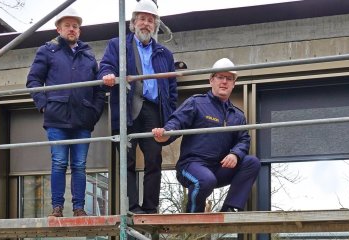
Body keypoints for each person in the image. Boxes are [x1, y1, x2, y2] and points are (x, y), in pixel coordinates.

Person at [98, 0, 178, 214]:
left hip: (152, 110)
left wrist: (168, 115)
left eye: (150, 20)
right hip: (127, 108)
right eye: (142, 19)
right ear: (133, 23)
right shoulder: (118, 45)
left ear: (155, 26)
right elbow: (106, 65)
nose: (146, 24)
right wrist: (107, 75)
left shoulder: (164, 53)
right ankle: (133, 208)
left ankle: (150, 207)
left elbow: (171, 89)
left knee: (154, 158)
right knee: (128, 160)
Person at [152, 58, 261, 213]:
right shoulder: (197, 103)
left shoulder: (237, 115)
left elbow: (244, 140)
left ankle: (230, 208)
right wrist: (164, 134)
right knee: (205, 180)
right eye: (220, 77)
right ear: (211, 80)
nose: (224, 82)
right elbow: (177, 123)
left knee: (252, 162)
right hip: (192, 166)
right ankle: (193, 213)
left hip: (219, 168)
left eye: (229, 78)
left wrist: (235, 155)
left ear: (233, 84)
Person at [26, 7, 105, 217]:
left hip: (82, 120)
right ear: (58, 28)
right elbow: (33, 80)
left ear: (79, 31)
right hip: (57, 118)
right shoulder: (46, 51)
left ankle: (79, 208)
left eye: (75, 26)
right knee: (59, 163)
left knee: (79, 165)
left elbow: (99, 89)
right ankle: (57, 208)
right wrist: (44, 105)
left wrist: (94, 112)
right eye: (68, 26)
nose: (72, 29)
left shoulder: (88, 55)